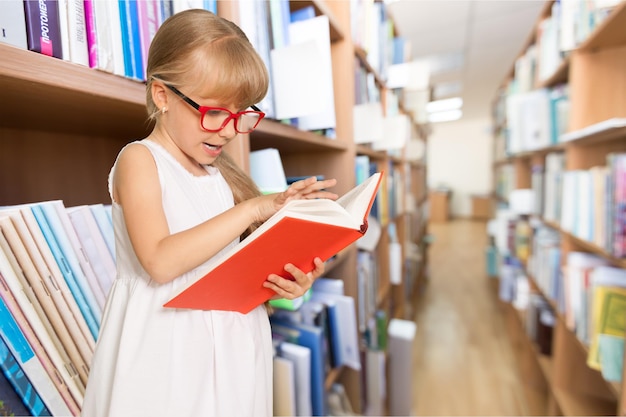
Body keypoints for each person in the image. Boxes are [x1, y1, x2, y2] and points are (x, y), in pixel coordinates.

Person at [81, 9, 337, 417]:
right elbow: (161, 261)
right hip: (167, 352)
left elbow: (228, 269)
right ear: (162, 95)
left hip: (233, 350)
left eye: (241, 114)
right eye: (215, 112)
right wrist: (256, 206)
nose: (229, 130)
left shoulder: (217, 173)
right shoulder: (140, 160)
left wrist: (291, 279)